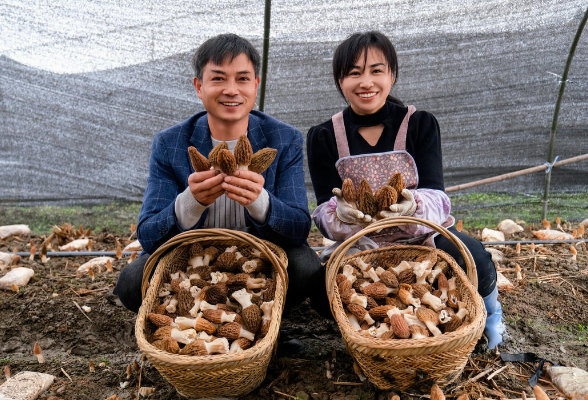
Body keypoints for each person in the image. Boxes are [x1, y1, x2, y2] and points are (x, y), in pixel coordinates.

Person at [114, 34, 329, 349]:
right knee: (132, 282)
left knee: (307, 268)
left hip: (259, 259)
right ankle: (204, 323)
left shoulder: (283, 139)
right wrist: (191, 203)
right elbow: (148, 234)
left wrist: (261, 202)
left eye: (242, 79)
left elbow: (298, 226)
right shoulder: (171, 143)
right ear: (199, 87)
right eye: (218, 79)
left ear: (255, 85)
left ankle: (252, 321)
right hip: (191, 260)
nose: (232, 90)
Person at [307, 31, 503, 349]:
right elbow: (323, 213)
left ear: (392, 75)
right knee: (320, 289)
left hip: (423, 237)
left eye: (376, 71)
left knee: (474, 260)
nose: (365, 82)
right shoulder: (324, 137)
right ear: (340, 81)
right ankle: (390, 328)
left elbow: (439, 199)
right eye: (354, 73)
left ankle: (490, 319)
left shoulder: (420, 125)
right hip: (362, 243)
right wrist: (340, 214)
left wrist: (411, 206)